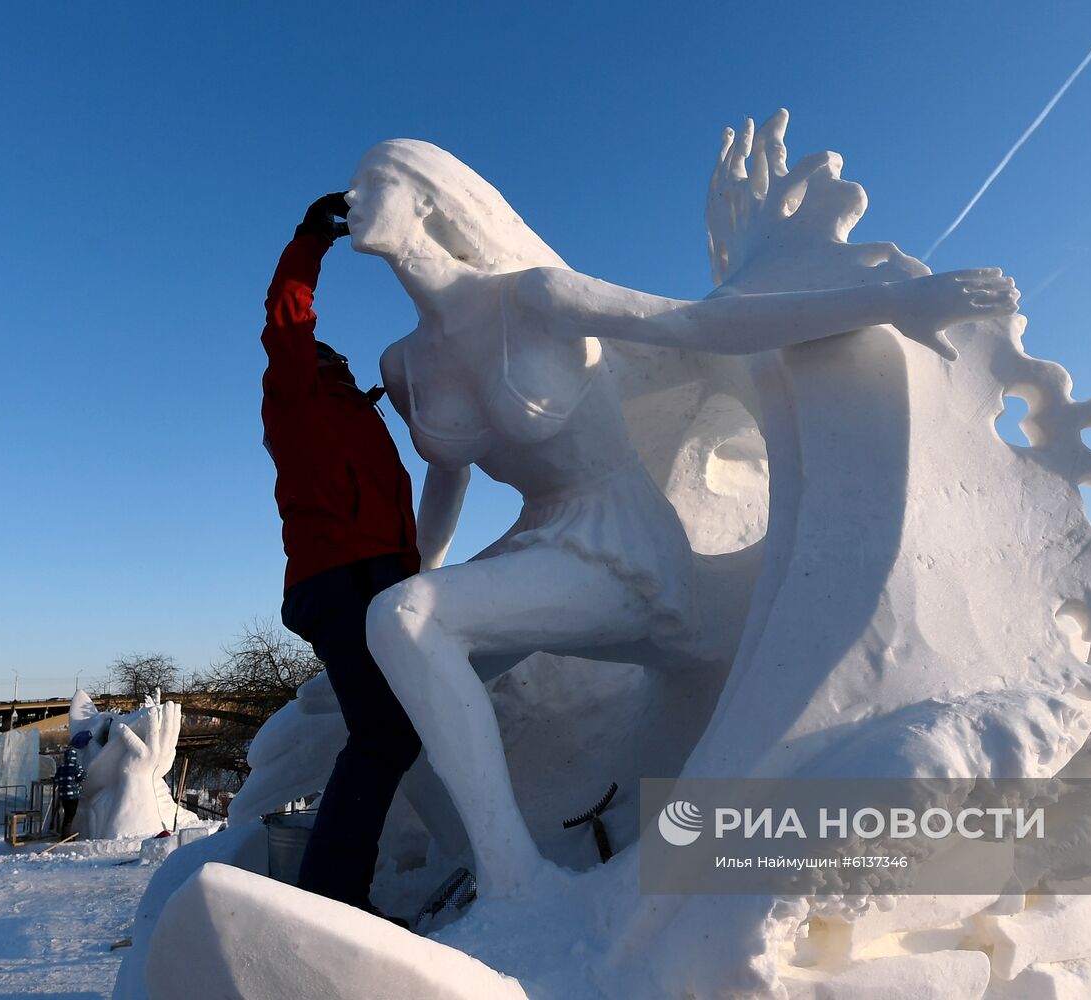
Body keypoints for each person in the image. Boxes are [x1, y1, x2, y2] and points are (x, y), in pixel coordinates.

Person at [347, 130, 1019, 897]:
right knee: (389, 687)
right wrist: (430, 562)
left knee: (407, 620)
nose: (352, 201)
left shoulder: (533, 297)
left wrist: (894, 302)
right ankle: (484, 857)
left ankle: (514, 884)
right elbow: (445, 479)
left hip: (617, 541)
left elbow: (691, 326)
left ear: (427, 198)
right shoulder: (401, 363)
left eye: (371, 183)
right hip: (534, 542)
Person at [261, 192, 424, 913]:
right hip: (338, 575)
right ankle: (331, 903)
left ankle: (340, 889)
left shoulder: (359, 416)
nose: (332, 354)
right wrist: (309, 240)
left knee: (403, 726)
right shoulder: (296, 395)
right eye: (323, 350)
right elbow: (287, 317)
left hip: (378, 575)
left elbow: (395, 505)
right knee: (385, 732)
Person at [53, 744, 87, 837]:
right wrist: (83, 775)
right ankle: (65, 836)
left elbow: (56, 780)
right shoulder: (76, 767)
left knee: (67, 815)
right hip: (73, 796)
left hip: (63, 795)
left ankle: (65, 834)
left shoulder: (61, 767)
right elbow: (81, 778)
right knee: (70, 816)